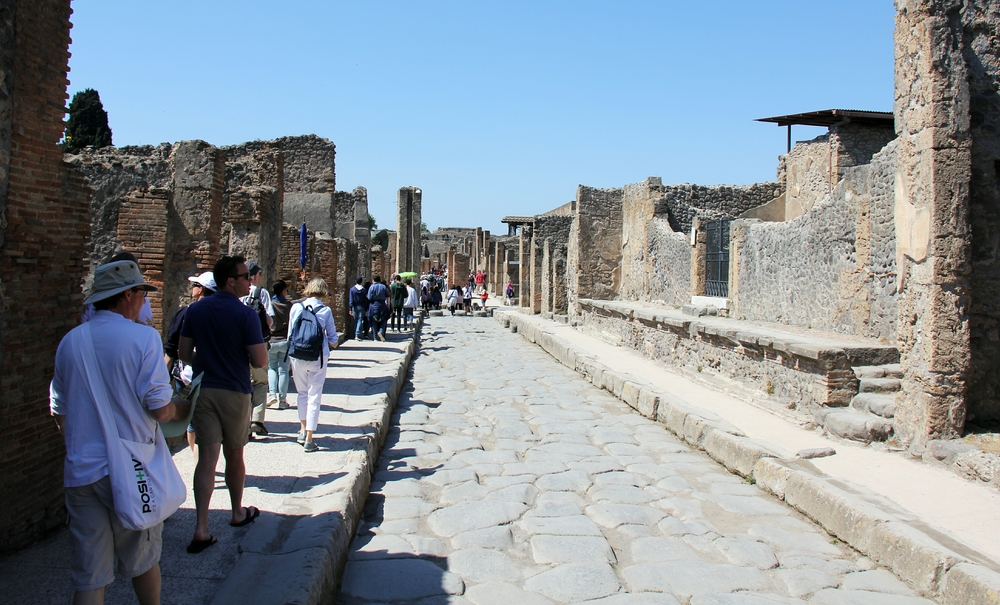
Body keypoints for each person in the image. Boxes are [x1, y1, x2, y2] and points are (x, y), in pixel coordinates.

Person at [51, 259, 190, 605]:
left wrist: (82, 444)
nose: (144, 300)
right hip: (131, 470)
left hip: (82, 471)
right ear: (127, 294)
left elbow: (59, 410)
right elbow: (159, 407)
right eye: (142, 293)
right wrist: (179, 411)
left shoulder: (71, 341)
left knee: (89, 577)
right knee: (142, 560)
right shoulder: (142, 338)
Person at [179, 255, 267, 554]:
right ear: (230, 281)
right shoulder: (245, 315)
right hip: (234, 390)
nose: (249, 280)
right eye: (245, 277)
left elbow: (183, 352)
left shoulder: (196, 310)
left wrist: (206, 362)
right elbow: (259, 360)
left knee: (206, 458)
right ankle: (236, 512)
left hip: (204, 389)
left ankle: (201, 526)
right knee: (235, 454)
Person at [164, 271, 215, 457]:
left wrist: (163, 376)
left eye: (195, 285)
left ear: (201, 290)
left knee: (192, 421)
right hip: (213, 376)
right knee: (204, 421)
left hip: (187, 374)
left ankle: (198, 461)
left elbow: (171, 348)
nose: (191, 288)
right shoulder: (224, 314)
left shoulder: (186, 312)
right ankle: (201, 460)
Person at [287, 278, 339, 452]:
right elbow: (333, 338)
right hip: (318, 357)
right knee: (314, 395)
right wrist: (333, 343)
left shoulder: (296, 307)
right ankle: (310, 437)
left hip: (297, 356)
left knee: (302, 393)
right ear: (324, 291)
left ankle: (302, 429)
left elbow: (290, 334)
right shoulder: (325, 310)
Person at [241, 261, 274, 437]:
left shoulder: (235, 294)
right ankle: (257, 420)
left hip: (238, 345)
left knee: (243, 382)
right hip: (259, 343)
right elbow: (270, 320)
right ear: (254, 276)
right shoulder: (261, 293)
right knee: (260, 382)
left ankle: (243, 423)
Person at [80, 251, 154, 327]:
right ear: (128, 293)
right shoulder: (138, 299)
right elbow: (146, 326)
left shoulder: (90, 303)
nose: (143, 301)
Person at [267, 280, 291, 410]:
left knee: (271, 368)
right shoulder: (289, 306)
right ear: (283, 291)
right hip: (284, 341)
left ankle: (272, 394)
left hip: (271, 341)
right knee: (284, 371)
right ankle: (283, 400)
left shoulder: (270, 304)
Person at [367, 275, 390, 341]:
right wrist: (388, 305)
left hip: (374, 305)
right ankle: (381, 331)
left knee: (374, 321)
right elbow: (388, 296)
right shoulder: (383, 286)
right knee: (383, 319)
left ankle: (375, 337)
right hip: (382, 305)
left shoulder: (372, 287)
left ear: (373, 280)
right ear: (379, 280)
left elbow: (369, 297)